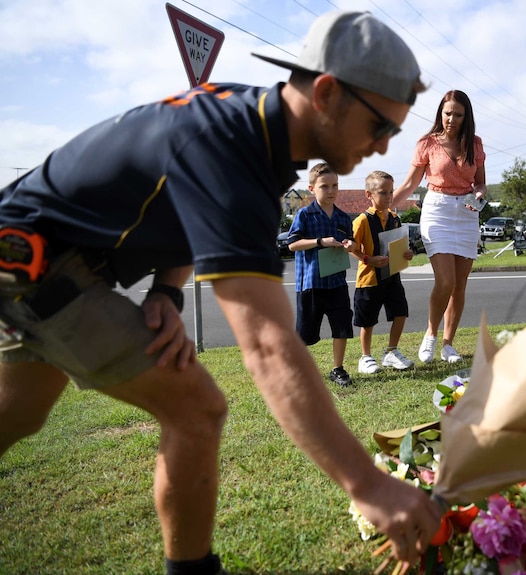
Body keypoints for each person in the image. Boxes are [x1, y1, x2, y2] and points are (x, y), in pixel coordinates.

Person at [0, 10, 440, 574]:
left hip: (41, 256)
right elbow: (265, 344)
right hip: (35, 260)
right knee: (197, 409)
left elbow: (182, 203)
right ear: (327, 93)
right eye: (381, 127)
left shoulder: (254, 127)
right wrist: (365, 483)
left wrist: (165, 290)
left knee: (18, 415)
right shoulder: (235, 148)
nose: (382, 149)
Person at [392, 90, 486, 364]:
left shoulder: (475, 144)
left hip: (467, 213)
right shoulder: (427, 143)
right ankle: (431, 336)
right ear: (440, 113)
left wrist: (480, 194)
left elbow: (480, 183)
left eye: (458, 114)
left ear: (466, 116)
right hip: (437, 210)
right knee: (445, 280)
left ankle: (448, 344)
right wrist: (384, 208)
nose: (452, 119)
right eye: (448, 113)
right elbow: (410, 184)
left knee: (459, 286)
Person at [286, 162, 356, 387]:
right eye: (325, 186)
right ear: (311, 189)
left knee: (342, 325)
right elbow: (292, 244)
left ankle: (338, 369)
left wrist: (351, 245)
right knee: (305, 332)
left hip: (337, 281)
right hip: (310, 284)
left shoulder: (344, 218)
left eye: (335, 185)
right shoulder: (305, 215)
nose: (331, 190)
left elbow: (353, 241)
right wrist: (319, 242)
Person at [351, 171, 415, 374]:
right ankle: (365, 357)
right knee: (367, 320)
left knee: (400, 312)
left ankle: (391, 352)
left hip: (392, 275)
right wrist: (368, 259)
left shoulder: (396, 218)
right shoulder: (362, 220)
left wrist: (406, 254)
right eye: (383, 192)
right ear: (369, 194)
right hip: (369, 279)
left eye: (391, 192)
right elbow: (351, 247)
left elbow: (398, 245)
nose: (388, 196)